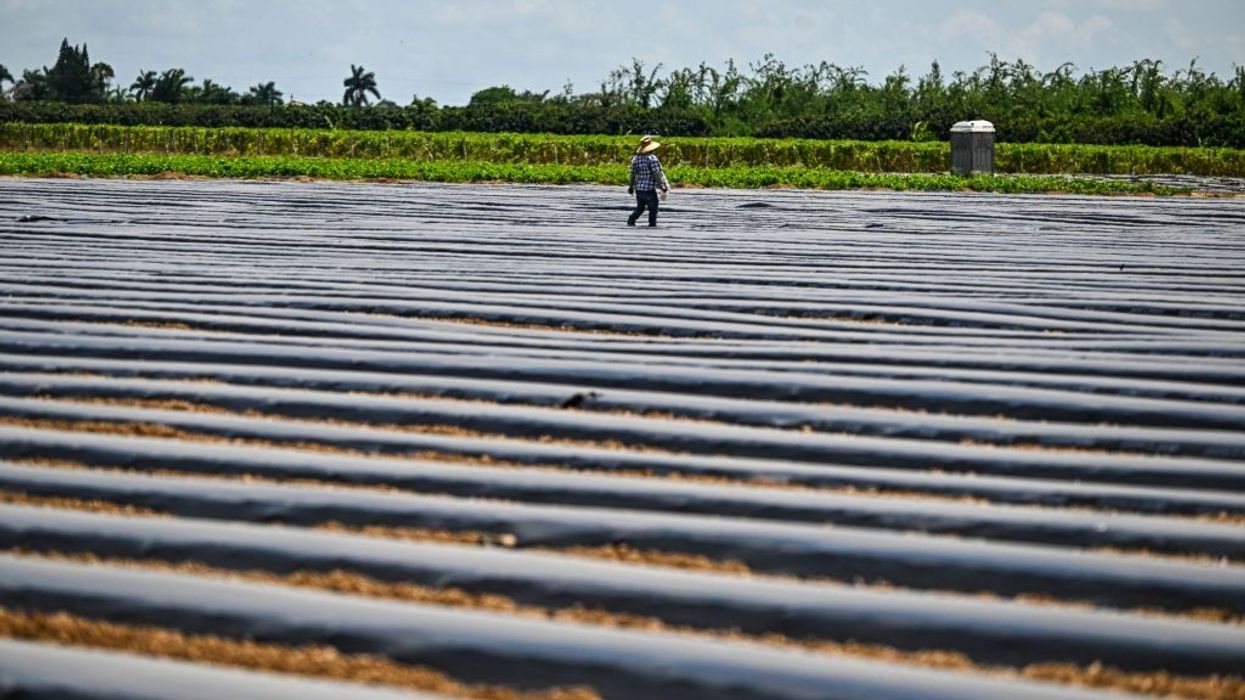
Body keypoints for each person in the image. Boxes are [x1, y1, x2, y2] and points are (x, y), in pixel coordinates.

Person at [627, 135, 669, 227]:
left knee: (640, 208)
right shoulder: (652, 159)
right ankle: (652, 225)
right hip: (649, 190)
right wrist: (662, 187)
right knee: (653, 209)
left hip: (639, 189)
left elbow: (633, 174)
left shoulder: (635, 159)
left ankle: (631, 220)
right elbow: (657, 174)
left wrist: (630, 187)